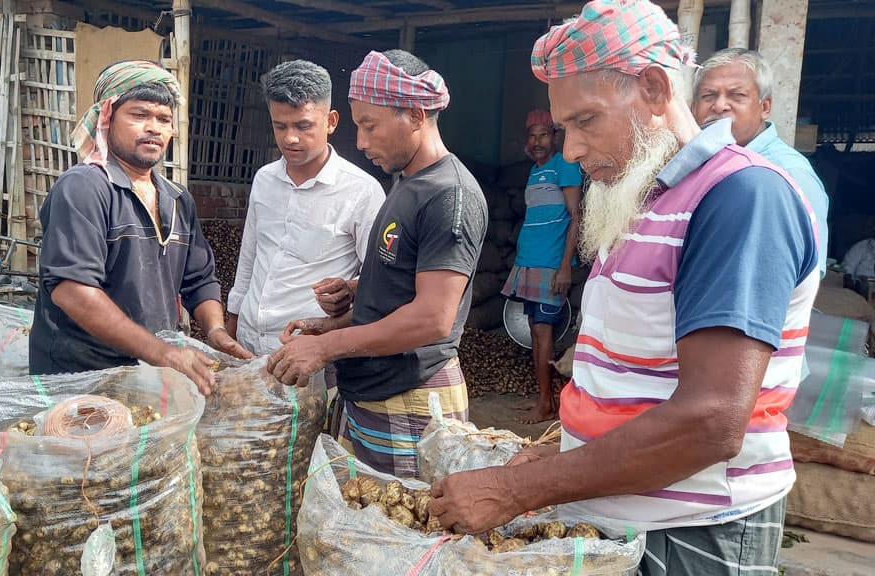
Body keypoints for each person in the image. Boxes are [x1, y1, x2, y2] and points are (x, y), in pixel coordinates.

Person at [428, 2, 819, 575]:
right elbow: (632, 372)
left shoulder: (741, 198)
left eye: (585, 121)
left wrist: (519, 489)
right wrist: (567, 451)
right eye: (565, 128)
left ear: (656, 90)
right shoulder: (638, 198)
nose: (572, 150)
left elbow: (710, 420)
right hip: (617, 521)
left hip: (690, 536)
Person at [265, 49, 488, 478]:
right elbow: (402, 287)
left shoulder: (448, 195)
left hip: (410, 396)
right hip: (374, 391)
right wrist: (347, 306)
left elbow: (432, 319)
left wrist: (324, 349)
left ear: (416, 116)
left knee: (399, 533)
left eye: (370, 126)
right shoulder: (407, 184)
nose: (362, 142)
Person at [30, 60, 251, 395]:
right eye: (139, 115)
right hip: (80, 377)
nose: (154, 128)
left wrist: (216, 331)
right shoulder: (84, 188)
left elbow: (199, 280)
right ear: (107, 117)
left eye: (163, 119)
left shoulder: (177, 199)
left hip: (145, 375)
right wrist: (163, 353)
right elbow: (73, 291)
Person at [225, 60, 384, 356]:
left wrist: (346, 291)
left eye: (303, 125)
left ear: (332, 121)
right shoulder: (264, 179)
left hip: (307, 352)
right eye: (280, 126)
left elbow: (380, 279)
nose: (290, 138)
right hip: (248, 342)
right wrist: (232, 327)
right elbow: (250, 257)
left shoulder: (361, 191)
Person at [693, 48, 830, 276]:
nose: (719, 106)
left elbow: (808, 273)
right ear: (693, 108)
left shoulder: (789, 173)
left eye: (737, 96)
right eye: (709, 96)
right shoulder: (697, 166)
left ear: (765, 107)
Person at [501, 109, 582, 423]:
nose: (537, 141)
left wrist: (565, 267)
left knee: (544, 333)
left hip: (550, 265)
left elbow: (576, 218)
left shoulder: (566, 165)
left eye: (543, 134)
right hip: (528, 262)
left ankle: (547, 402)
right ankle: (543, 399)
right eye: (532, 136)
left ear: (555, 136)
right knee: (536, 333)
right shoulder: (536, 171)